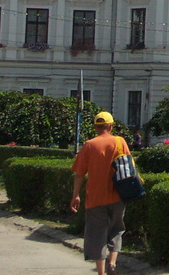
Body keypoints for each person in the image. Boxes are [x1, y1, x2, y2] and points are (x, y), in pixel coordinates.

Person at [70, 111, 128, 275]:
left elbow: (79, 173)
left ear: (96, 127)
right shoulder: (120, 141)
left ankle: (101, 272)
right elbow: (128, 166)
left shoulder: (89, 145)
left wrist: (75, 195)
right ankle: (112, 263)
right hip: (117, 195)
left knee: (97, 234)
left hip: (95, 198)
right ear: (110, 126)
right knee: (117, 229)